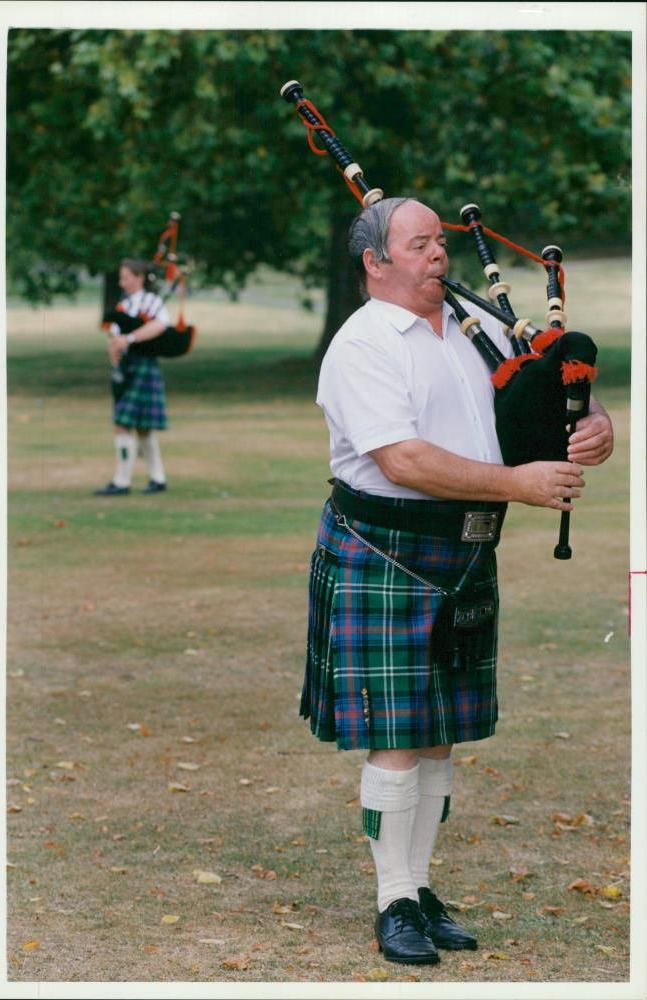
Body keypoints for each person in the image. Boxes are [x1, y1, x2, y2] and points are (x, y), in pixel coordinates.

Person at [301, 197, 614, 966]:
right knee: (396, 736)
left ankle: (419, 885)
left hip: (466, 550)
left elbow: (549, 381)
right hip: (386, 548)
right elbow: (403, 460)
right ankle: (392, 902)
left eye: (441, 241)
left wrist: (593, 419)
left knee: (438, 736)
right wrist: (519, 482)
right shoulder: (364, 344)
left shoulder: (479, 327)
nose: (440, 255)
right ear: (377, 263)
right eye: (420, 244)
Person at [94, 258, 170, 496]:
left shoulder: (152, 302)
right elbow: (114, 336)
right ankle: (156, 479)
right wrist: (114, 355)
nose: (121, 281)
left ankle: (123, 481)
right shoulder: (123, 305)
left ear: (139, 278)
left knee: (126, 425)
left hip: (144, 365)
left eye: (126, 277)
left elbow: (160, 326)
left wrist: (130, 338)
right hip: (126, 368)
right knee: (135, 426)